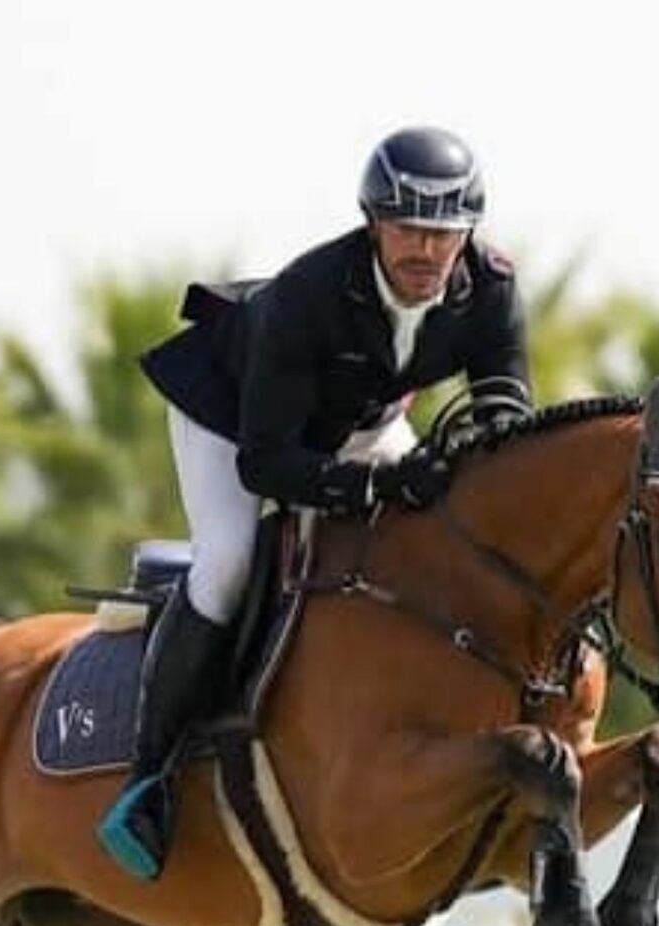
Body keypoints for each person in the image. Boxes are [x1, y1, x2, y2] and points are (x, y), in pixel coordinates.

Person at [99, 124, 534, 879]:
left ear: (467, 230)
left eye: (443, 231)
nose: (425, 251)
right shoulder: (307, 295)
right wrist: (371, 485)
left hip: (364, 422)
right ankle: (150, 776)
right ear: (373, 222)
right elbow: (268, 464)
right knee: (229, 564)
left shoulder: (490, 286)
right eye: (407, 228)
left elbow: (505, 411)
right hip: (231, 420)